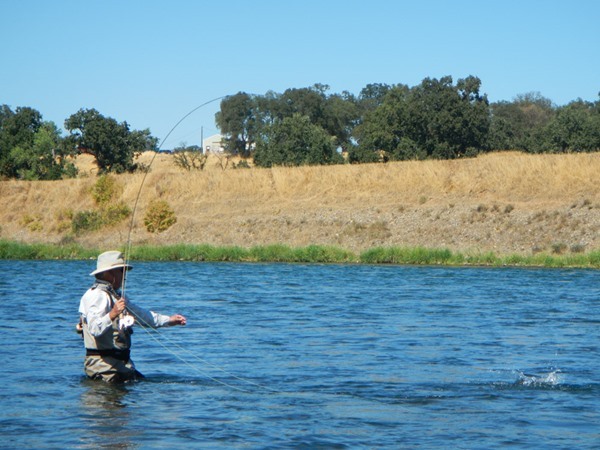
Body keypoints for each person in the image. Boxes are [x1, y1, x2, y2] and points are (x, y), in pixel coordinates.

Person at [78, 250, 186, 382]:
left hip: (122, 366)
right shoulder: (96, 296)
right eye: (121, 271)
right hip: (104, 368)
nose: (124, 276)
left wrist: (169, 320)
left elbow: (141, 315)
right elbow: (95, 329)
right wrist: (113, 314)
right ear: (109, 273)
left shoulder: (115, 296)